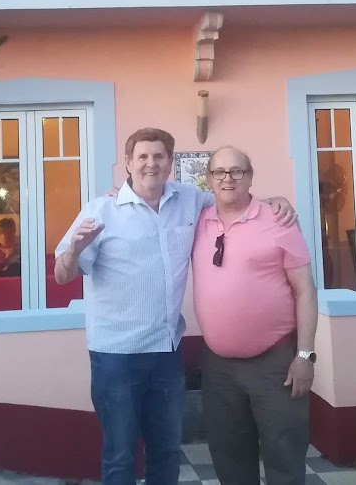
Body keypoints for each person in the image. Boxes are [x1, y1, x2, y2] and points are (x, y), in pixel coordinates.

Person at [54, 128, 296, 485]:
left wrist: (275, 201)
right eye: (142, 156)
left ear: (169, 163)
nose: (151, 163)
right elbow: (62, 275)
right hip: (116, 356)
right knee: (120, 455)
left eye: (159, 156)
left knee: (167, 452)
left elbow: (233, 196)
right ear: (128, 163)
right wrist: (74, 251)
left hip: (166, 353)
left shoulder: (189, 200)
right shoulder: (101, 210)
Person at [192, 146, 317, 485]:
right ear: (209, 179)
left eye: (237, 171)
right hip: (218, 367)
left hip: (274, 364)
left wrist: (305, 356)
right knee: (229, 458)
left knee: (284, 456)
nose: (228, 178)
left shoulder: (278, 220)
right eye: (219, 172)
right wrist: (119, 192)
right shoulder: (196, 221)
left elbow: (306, 291)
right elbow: (154, 198)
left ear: (250, 177)